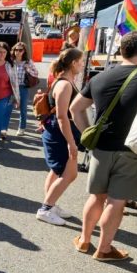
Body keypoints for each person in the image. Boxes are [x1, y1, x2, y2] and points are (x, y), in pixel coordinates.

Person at [69, 29, 137, 262]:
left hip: (101, 148)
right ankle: (104, 249)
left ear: (121, 50)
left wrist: (88, 134)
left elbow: (75, 109)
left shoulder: (100, 77)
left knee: (96, 196)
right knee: (116, 201)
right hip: (136, 150)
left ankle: (84, 240)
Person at [37, 48, 86, 226]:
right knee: (69, 174)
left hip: (57, 132)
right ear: (73, 63)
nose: (82, 64)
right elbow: (61, 116)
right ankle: (46, 208)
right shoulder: (65, 84)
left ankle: (51, 204)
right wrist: (72, 143)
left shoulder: (64, 81)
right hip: (59, 133)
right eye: (80, 61)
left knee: (57, 171)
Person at [12, 41, 40, 131]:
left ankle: (22, 128)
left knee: (23, 109)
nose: (18, 52)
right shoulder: (11, 62)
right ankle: (3, 128)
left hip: (23, 88)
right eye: (16, 50)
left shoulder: (28, 62)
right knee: (7, 108)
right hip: (11, 88)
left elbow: (36, 73)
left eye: (20, 50)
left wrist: (28, 69)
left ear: (24, 51)